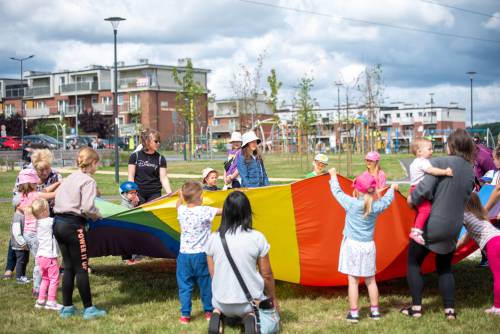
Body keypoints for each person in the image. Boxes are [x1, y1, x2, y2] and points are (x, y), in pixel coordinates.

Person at [403, 129, 475, 320]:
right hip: (454, 226)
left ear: (451, 146)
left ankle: (416, 308)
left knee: (413, 262)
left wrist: (411, 199)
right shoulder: (470, 171)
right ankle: (449, 310)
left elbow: (424, 190)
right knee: (444, 267)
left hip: (432, 223)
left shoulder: (439, 162)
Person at [206, 191, 279, 334]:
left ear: (225, 212)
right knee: (254, 308)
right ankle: (250, 316)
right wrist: (273, 298)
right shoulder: (257, 238)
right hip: (249, 302)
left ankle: (217, 314)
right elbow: (267, 274)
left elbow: (213, 274)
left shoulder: (212, 239)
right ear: (247, 212)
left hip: (220, 301)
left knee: (221, 307)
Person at [329, 168, 396, 323]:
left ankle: (354, 314)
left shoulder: (351, 204)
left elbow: (337, 192)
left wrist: (333, 175)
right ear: (373, 191)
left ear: (357, 191)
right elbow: (387, 201)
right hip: (368, 246)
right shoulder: (376, 206)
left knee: (353, 281)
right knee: (370, 280)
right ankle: (375, 311)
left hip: (352, 245)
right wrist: (392, 189)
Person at [53, 147, 106, 319]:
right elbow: (87, 207)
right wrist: (98, 215)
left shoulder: (69, 178)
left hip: (58, 223)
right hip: (73, 226)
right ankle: (89, 309)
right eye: (97, 164)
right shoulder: (88, 181)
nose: (97, 167)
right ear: (92, 163)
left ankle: (67, 307)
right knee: (82, 268)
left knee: (68, 267)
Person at [4, 149, 62, 280]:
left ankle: (49, 267)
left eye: (47, 168)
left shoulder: (55, 175)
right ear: (35, 167)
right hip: (26, 215)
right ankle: (11, 268)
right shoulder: (25, 174)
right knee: (17, 241)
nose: (45, 172)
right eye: (41, 170)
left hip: (46, 212)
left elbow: (49, 192)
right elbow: (17, 198)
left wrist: (59, 183)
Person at [176, 181, 222, 324]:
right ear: (200, 197)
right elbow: (224, 210)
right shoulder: (205, 211)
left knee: (185, 286)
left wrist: (180, 197)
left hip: (184, 256)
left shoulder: (181, 210)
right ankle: (209, 312)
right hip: (202, 255)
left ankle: (185, 315)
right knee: (206, 284)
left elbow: (178, 204)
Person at [17, 169, 59, 297]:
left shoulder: (24, 196)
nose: (38, 183)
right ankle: (37, 288)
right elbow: (52, 195)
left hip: (28, 234)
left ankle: (39, 286)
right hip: (34, 235)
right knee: (40, 261)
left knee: (38, 260)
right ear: (31, 183)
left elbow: (45, 191)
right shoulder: (35, 196)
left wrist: (59, 182)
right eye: (35, 182)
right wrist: (65, 187)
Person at [456, 193, 500, 315]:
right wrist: (454, 250)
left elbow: (452, 223)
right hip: (498, 237)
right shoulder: (480, 217)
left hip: (493, 244)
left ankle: (497, 308)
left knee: (498, 276)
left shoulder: (464, 215)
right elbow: (465, 239)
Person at [408, 138, 454, 245]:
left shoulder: (414, 162)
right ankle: (416, 232)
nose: (432, 151)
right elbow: (432, 171)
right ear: (419, 152)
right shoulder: (423, 162)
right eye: (429, 149)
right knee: (426, 210)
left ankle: (417, 228)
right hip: (420, 190)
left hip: (414, 189)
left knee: (420, 210)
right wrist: (445, 172)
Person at [29, 198, 62, 311]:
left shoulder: (37, 223)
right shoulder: (49, 221)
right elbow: (59, 221)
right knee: (54, 279)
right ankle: (51, 302)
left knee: (45, 278)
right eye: (48, 209)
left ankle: (41, 300)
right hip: (50, 256)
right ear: (44, 211)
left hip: (40, 256)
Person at [128, 129, 172, 204]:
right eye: (156, 141)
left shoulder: (161, 158)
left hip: (154, 194)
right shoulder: (135, 156)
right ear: (147, 141)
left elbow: (164, 178)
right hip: (138, 193)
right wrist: (132, 193)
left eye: (159, 141)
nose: (158, 143)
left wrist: (170, 194)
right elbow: (131, 176)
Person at [119, 181, 141, 264]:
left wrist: (136, 204)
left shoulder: (131, 202)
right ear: (123, 194)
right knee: (126, 242)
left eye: (135, 193)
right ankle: (127, 258)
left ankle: (133, 256)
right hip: (125, 229)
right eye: (131, 193)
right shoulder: (124, 205)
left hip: (131, 227)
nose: (134, 195)